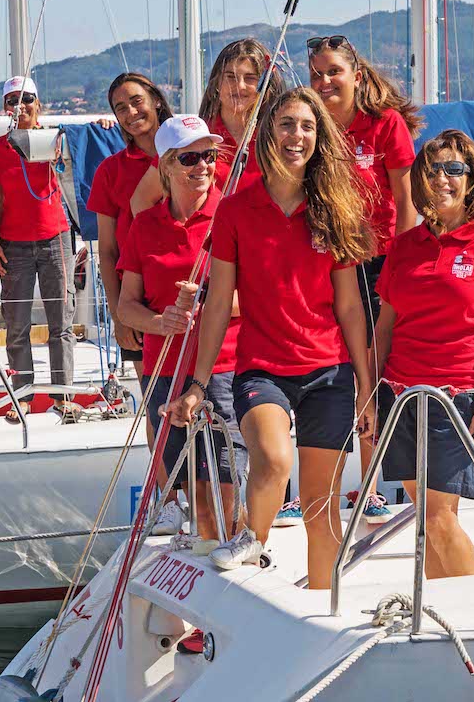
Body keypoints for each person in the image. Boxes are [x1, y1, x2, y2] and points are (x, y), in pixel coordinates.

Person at [165, 87, 375, 588]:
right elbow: (218, 304)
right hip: (262, 369)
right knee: (275, 460)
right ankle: (252, 540)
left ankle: (324, 609)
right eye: (286, 124)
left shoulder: (335, 210)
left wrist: (366, 386)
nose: (296, 136)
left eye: (307, 126)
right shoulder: (235, 211)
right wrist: (197, 384)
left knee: (321, 510)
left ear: (318, 137)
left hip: (330, 372)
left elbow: (350, 307)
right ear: (267, 134)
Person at [370, 130, 474, 578]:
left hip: (456, 400)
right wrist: (369, 395)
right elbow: (384, 328)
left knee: (437, 517)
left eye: (454, 169)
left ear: (471, 179)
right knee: (430, 519)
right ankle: (443, 609)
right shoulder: (404, 247)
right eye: (432, 170)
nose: (442, 179)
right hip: (400, 396)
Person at [308, 34, 422, 526]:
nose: (325, 81)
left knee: (373, 368)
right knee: (340, 369)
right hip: (331, 262)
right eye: (316, 74)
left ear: (356, 75)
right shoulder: (313, 127)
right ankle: (332, 484)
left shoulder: (384, 124)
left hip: (381, 263)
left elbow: (408, 201)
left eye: (333, 71)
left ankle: (371, 484)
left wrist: (402, 268)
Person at [117, 115, 245, 545]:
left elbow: (259, 296)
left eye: (209, 155)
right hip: (165, 369)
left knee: (227, 482)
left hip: (225, 366)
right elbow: (126, 307)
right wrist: (160, 321)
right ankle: (204, 556)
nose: (203, 166)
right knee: (190, 484)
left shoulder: (233, 214)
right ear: (166, 166)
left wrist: (209, 304)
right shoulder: (144, 225)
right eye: (190, 158)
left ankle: (229, 556)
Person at [87, 72, 176, 527]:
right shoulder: (110, 171)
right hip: (141, 304)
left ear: (156, 101)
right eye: (120, 107)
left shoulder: (191, 152)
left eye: (137, 101)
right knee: (156, 404)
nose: (130, 112)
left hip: (195, 296)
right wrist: (119, 313)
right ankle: (169, 499)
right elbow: (106, 250)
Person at [0, 76, 76, 422]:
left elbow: (85, 153)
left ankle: (63, 396)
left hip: (55, 239)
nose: (19, 106)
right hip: (14, 243)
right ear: (4, 107)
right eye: (12, 101)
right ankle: (22, 396)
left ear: (38, 104)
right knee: (17, 326)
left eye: (26, 100)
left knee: (61, 323)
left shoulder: (56, 139)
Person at [129, 39, 285, 217]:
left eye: (250, 78)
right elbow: (141, 200)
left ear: (264, 85)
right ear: (217, 83)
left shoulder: (275, 138)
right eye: (230, 77)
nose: (240, 86)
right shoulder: (192, 135)